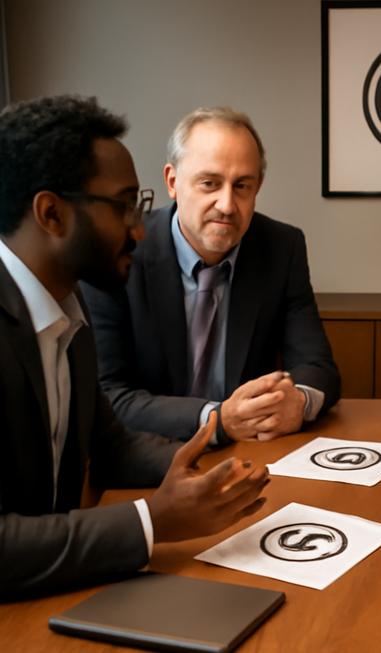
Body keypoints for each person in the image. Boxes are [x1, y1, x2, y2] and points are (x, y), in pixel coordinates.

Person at [0, 96, 270, 650]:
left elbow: (111, 445)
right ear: (52, 214)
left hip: (45, 587)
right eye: (124, 206)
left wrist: (217, 473)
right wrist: (156, 520)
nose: (141, 230)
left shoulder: (67, 306)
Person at [81, 107, 339, 445]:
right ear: (173, 182)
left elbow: (318, 367)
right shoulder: (119, 251)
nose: (227, 205)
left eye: (242, 185)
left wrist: (299, 401)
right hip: (145, 454)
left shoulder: (281, 247)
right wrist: (216, 418)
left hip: (249, 452)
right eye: (209, 183)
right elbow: (108, 396)